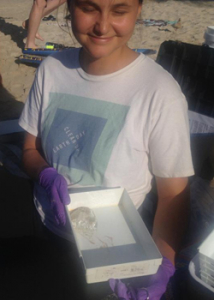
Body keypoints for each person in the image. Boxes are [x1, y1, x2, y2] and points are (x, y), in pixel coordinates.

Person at [19, 0, 194, 299]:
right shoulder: (51, 70)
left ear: (138, 11)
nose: (102, 25)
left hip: (117, 252)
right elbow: (29, 150)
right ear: (70, 7)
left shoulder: (160, 93)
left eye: (119, 11)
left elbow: (172, 195)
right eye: (89, 8)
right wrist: (45, 173)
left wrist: (163, 263)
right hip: (50, 229)